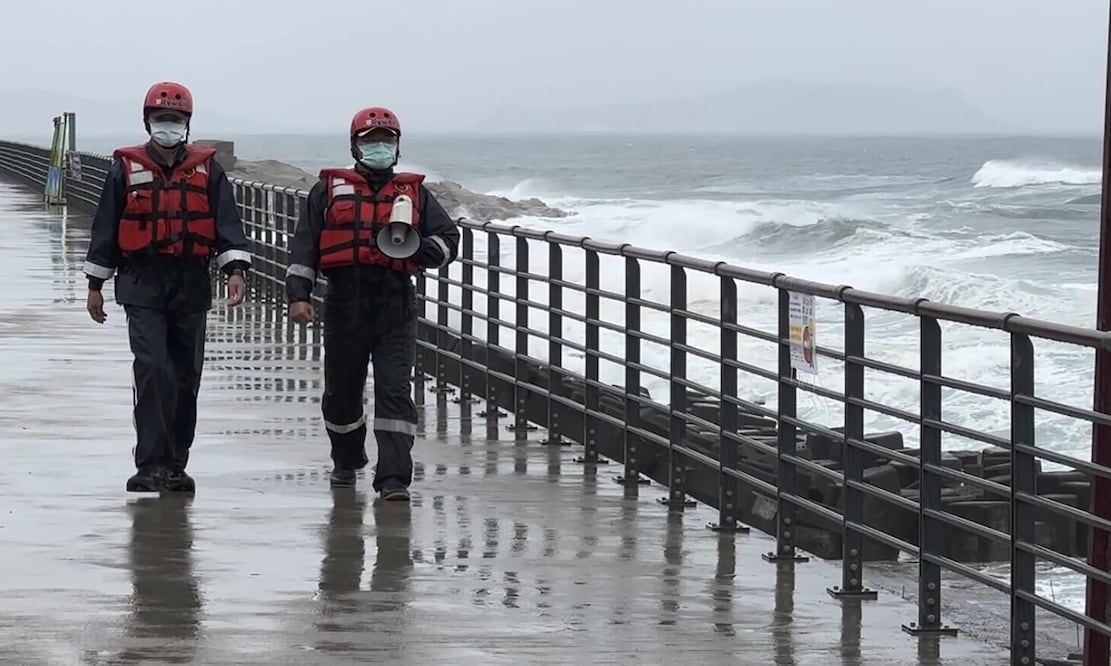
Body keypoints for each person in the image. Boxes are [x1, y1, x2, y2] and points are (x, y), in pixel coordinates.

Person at [82, 81, 252, 494]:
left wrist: (235, 271)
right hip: (142, 282)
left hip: (191, 282)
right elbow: (106, 226)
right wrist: (95, 285)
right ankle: (149, 464)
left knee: (184, 376)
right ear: (148, 122)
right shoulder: (124, 169)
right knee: (153, 369)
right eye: (162, 119)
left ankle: (176, 464)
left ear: (187, 125)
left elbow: (228, 226)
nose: (168, 126)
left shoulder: (209, 171)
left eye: (175, 120)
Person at [285, 106, 460, 500]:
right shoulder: (328, 192)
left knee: (395, 392)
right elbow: (305, 246)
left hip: (395, 306)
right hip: (345, 304)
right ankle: (346, 459)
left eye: (387, 140)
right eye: (371, 141)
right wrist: (298, 295)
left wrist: (426, 250)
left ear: (397, 147)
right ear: (355, 146)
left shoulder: (415, 194)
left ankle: (394, 479)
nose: (380, 147)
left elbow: (449, 237)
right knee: (341, 393)